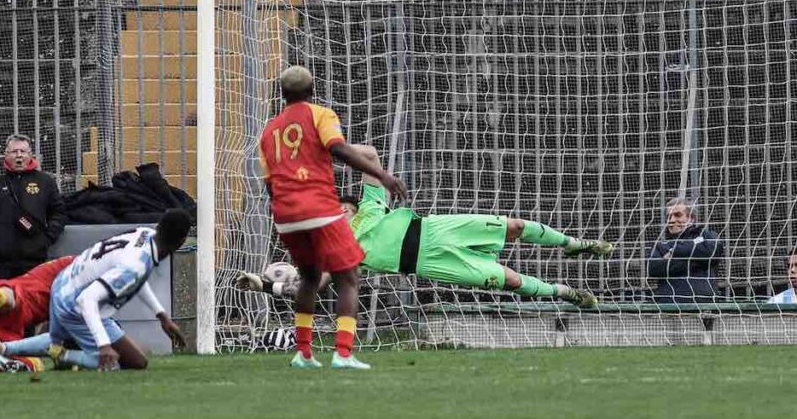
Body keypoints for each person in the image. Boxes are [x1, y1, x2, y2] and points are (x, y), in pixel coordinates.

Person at [238, 144, 610, 306]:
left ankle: (574, 243)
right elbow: (316, 285)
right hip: (428, 264)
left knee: (512, 225)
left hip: (434, 229)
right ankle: (566, 293)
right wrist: (270, 287)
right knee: (511, 281)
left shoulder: (371, 206)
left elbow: (369, 156)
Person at [258, 66, 407, 371]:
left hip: (285, 214)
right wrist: (381, 174)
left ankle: (303, 353)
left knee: (311, 277)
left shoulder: (269, 130)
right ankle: (343, 352)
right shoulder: (321, 114)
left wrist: (285, 216)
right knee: (349, 277)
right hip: (319, 208)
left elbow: (270, 183)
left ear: (282, 94)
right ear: (313, 88)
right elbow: (338, 149)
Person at [0, 209, 191, 371]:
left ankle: (2, 348)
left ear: (159, 227)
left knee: (57, 340)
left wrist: (161, 315)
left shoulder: (144, 234)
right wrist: (104, 346)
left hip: (61, 284)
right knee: (135, 361)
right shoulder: (135, 264)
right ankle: (64, 355)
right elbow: (88, 300)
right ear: (180, 242)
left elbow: (137, 278)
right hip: (75, 303)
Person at [0, 134, 66, 279]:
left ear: (30, 154)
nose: (19, 155)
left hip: (35, 263)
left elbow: (59, 212)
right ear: (6, 155)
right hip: (2, 263)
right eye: (14, 151)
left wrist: (46, 239)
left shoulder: (45, 182)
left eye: (23, 151)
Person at [647, 197, 726, 304]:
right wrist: (699, 260)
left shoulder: (705, 235)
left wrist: (674, 251)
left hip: (705, 309)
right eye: (668, 216)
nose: (671, 220)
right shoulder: (661, 244)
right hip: (668, 310)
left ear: (691, 218)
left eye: (677, 215)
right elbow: (653, 268)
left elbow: (713, 252)